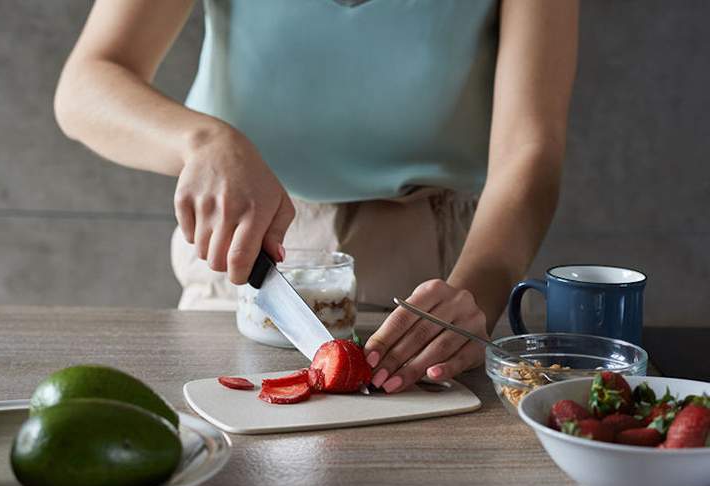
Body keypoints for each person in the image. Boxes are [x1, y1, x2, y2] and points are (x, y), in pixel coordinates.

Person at [54, 0, 579, 393]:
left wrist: (476, 294)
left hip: (431, 279)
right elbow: (86, 84)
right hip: (241, 256)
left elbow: (529, 150)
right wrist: (203, 141)